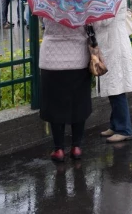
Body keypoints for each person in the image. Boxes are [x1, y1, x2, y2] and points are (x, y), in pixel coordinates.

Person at [39, 18, 91, 162]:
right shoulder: (82, 1)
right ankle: (76, 147)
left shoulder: (48, 0)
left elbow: (42, 20)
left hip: (51, 59)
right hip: (78, 58)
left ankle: (59, 149)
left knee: (54, 104)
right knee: (79, 102)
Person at [94, 0, 132, 143]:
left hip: (115, 45)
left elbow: (105, 20)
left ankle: (124, 129)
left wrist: (90, 11)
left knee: (117, 89)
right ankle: (115, 124)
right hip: (111, 44)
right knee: (113, 89)